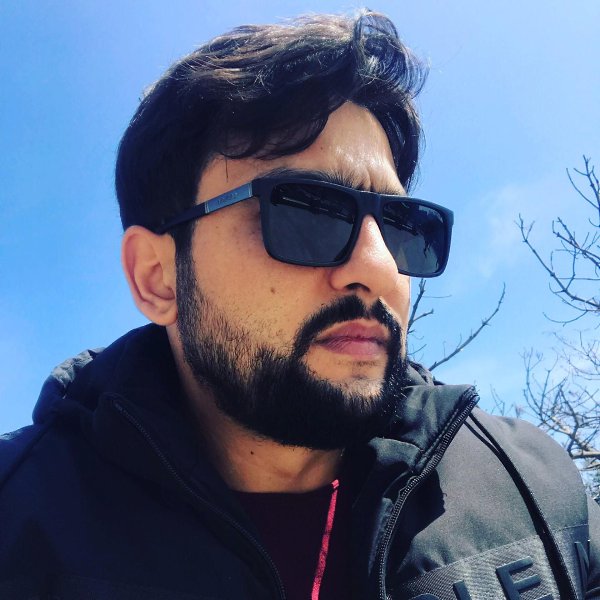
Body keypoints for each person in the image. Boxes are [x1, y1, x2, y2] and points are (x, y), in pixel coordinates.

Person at [1, 10, 598, 600]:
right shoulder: (19, 523)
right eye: (306, 211)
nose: (378, 267)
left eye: (401, 224)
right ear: (158, 278)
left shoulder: (536, 486)